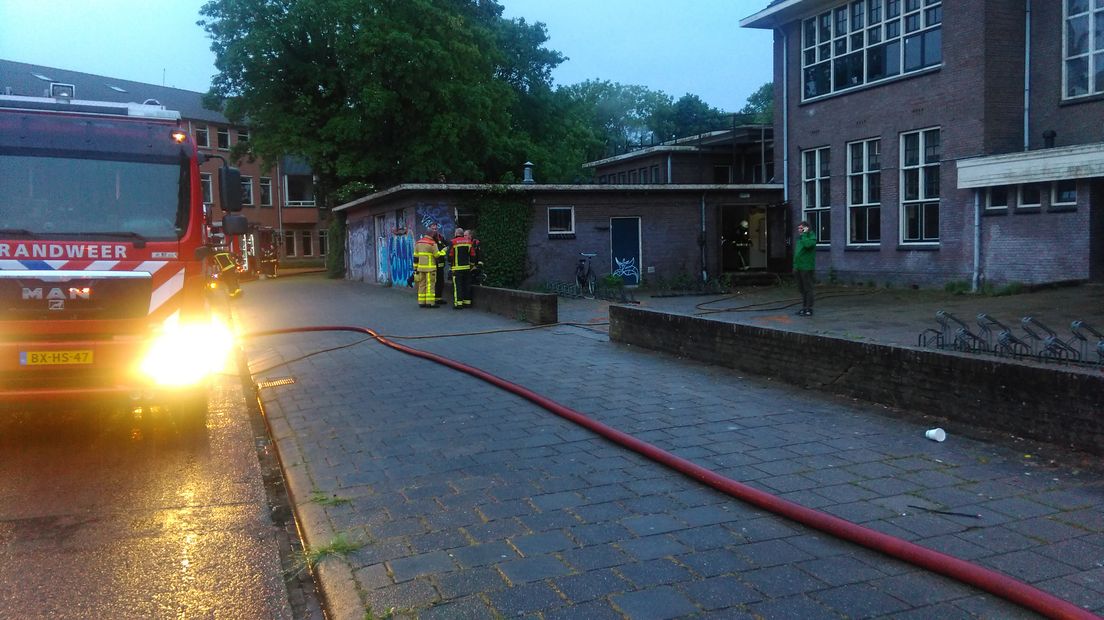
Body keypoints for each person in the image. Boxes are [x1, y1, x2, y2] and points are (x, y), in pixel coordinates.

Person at [793, 220, 817, 316]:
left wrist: (805, 234)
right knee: (801, 288)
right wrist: (795, 266)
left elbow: (808, 245)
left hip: (806, 267)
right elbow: (797, 253)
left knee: (808, 288)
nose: (799, 230)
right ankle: (804, 307)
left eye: (801, 228)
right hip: (798, 267)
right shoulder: (800, 238)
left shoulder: (811, 237)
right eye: (798, 228)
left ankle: (809, 308)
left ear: (806, 228)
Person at [448, 227, 475, 309]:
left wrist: (451, 264)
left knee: (458, 286)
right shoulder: (469, 242)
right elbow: (473, 255)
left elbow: (450, 255)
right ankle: (467, 302)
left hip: (457, 268)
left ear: (456, 234)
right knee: (466, 285)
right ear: (462, 234)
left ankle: (458, 303)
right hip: (467, 268)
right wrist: (471, 265)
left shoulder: (453, 242)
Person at [413, 228, 440, 308]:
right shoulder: (432, 243)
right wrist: (443, 252)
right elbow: (437, 255)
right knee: (430, 286)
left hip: (420, 268)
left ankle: (421, 302)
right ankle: (430, 303)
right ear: (432, 235)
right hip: (430, 269)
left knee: (422, 285)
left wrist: (415, 268)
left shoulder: (418, 243)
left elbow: (415, 257)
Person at [427, 222, 448, 305]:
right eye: (433, 229)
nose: (435, 230)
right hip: (431, 263)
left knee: (440, 281)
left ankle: (438, 298)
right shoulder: (428, 238)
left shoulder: (440, 237)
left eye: (436, 229)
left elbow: (447, 244)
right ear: (429, 229)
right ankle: (431, 300)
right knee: (432, 282)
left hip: (440, 263)